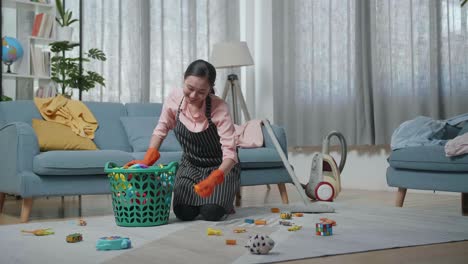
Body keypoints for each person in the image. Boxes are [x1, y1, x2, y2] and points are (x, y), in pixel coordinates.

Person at [125, 59, 240, 221]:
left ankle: (224, 201)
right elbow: (161, 128)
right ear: (184, 80)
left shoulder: (219, 107)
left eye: (201, 92)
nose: (193, 96)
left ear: (210, 89)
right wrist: (148, 158)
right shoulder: (174, 98)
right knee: (183, 212)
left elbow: (230, 154)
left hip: (219, 166)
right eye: (190, 88)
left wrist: (215, 178)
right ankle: (209, 199)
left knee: (211, 212)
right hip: (191, 165)